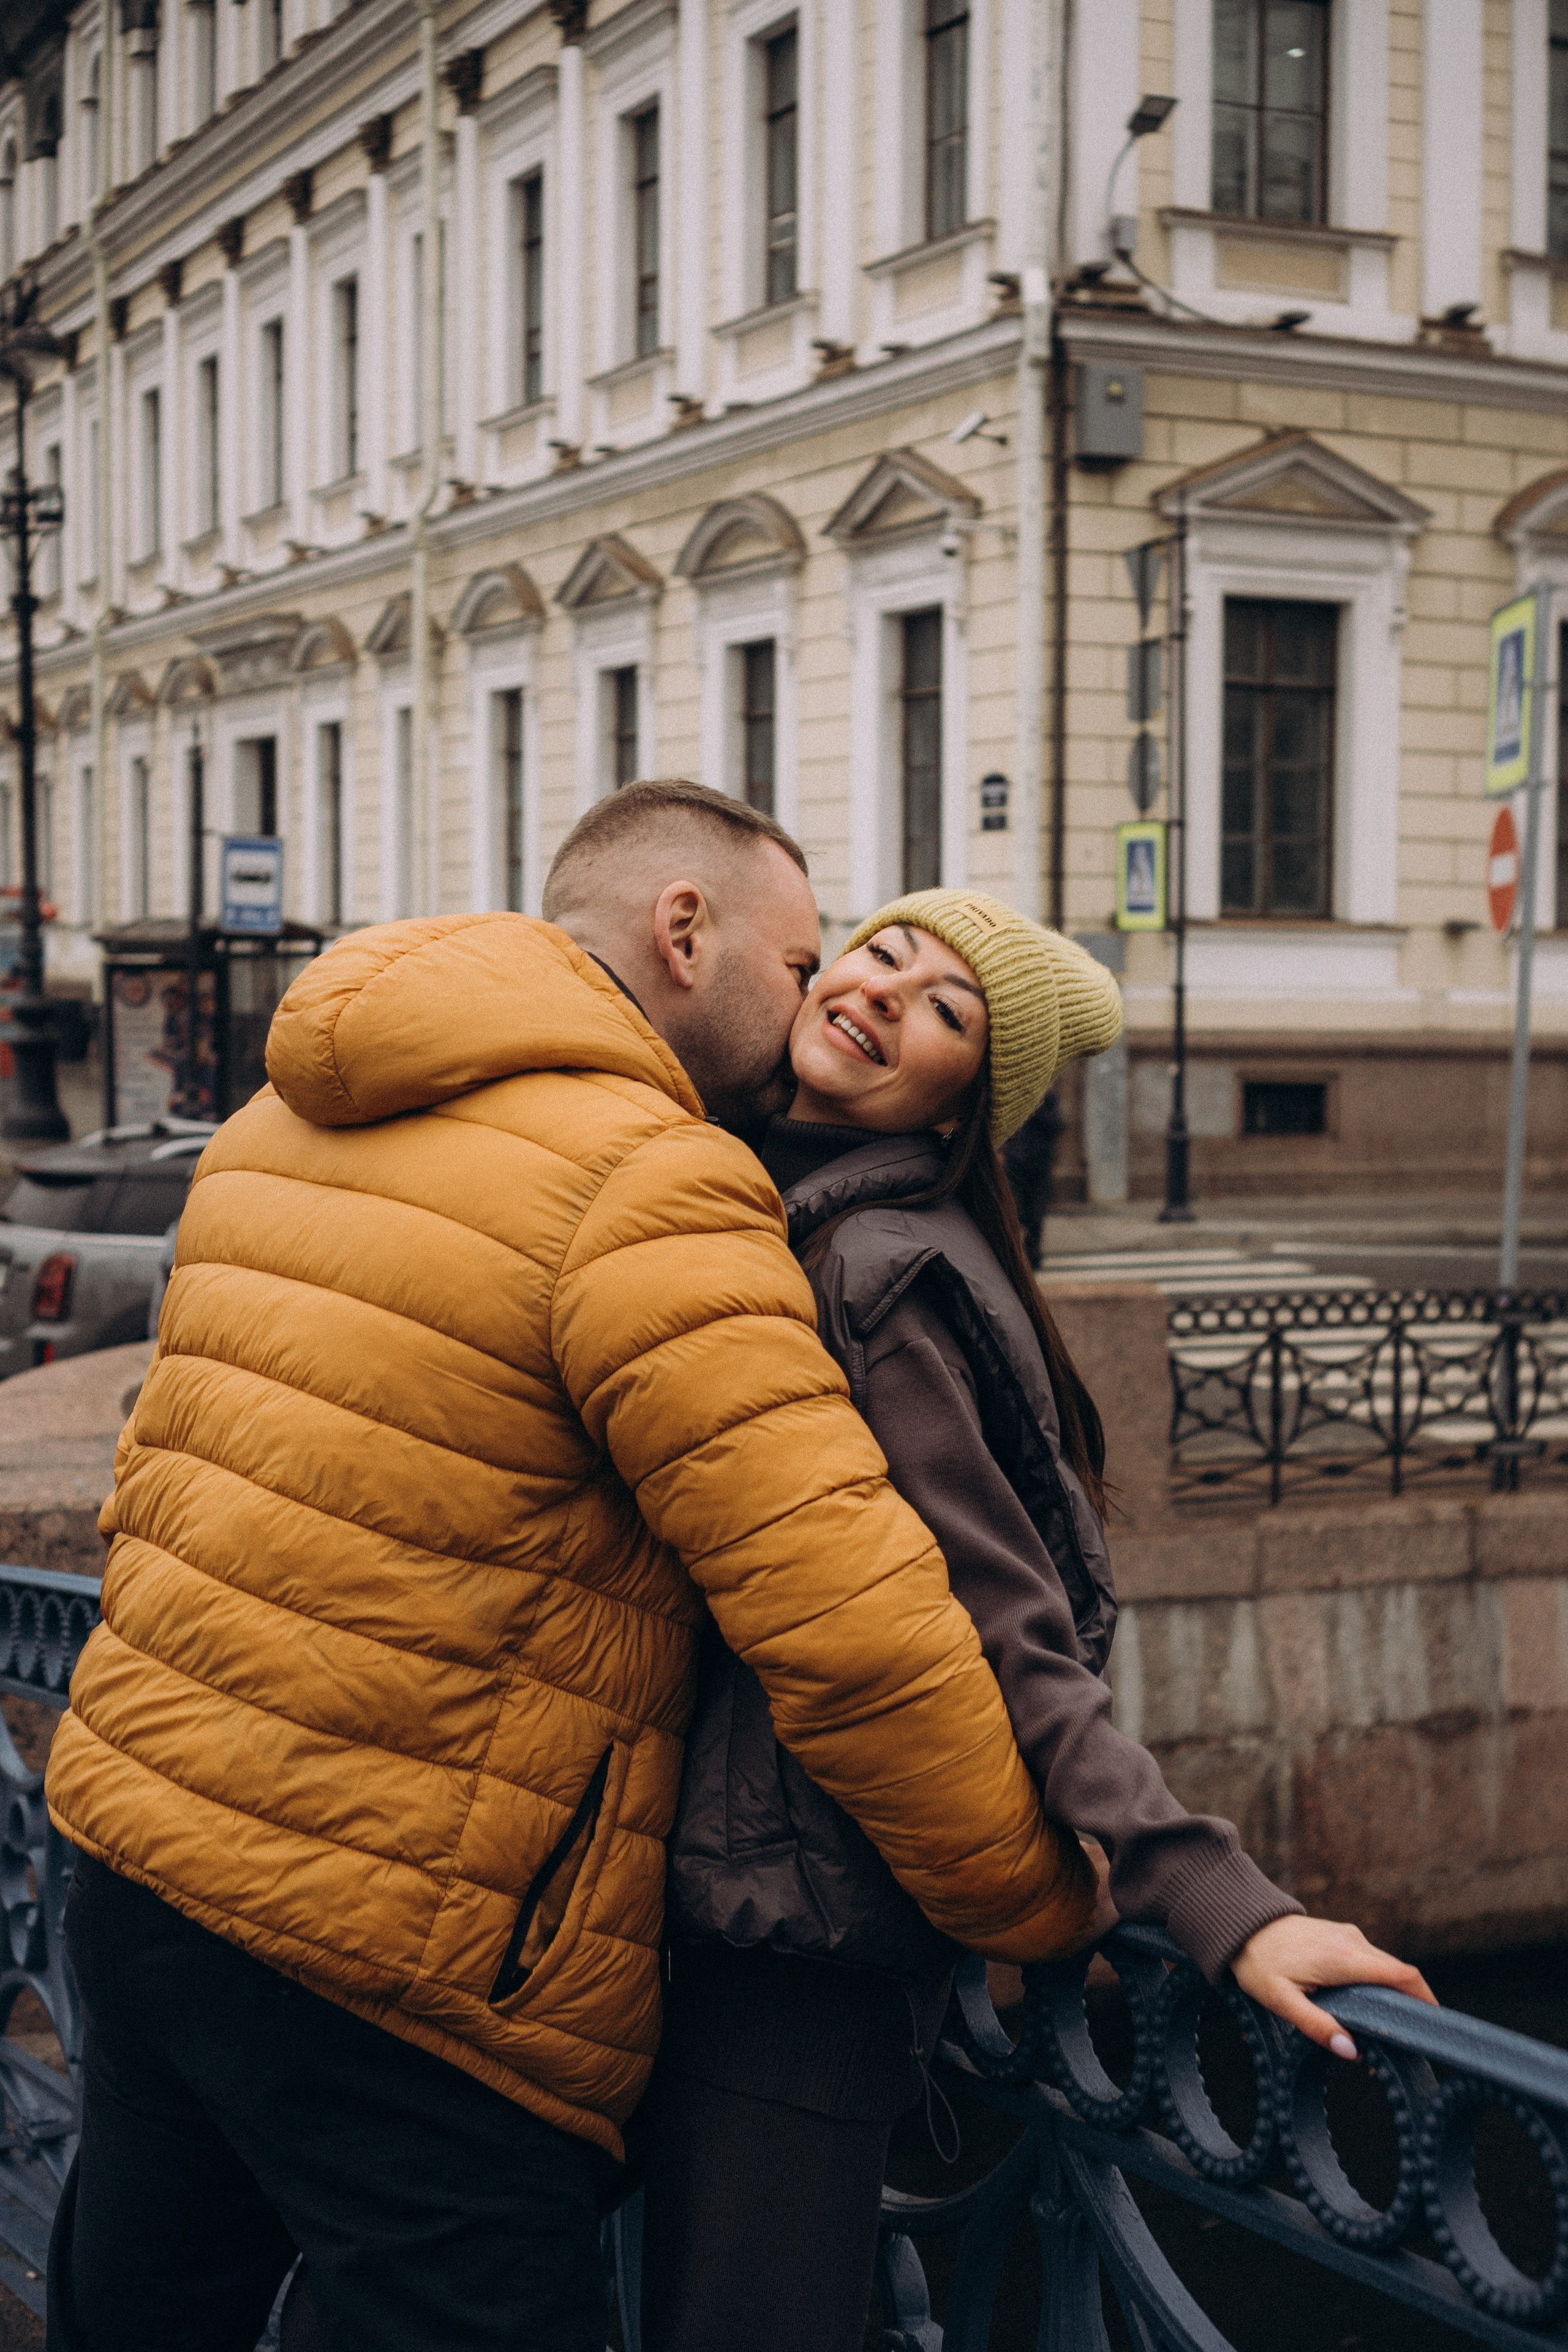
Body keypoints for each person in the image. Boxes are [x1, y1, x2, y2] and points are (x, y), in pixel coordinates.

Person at [43, 790, 1096, 2352]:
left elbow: (173, 1468)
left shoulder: (284, 1116)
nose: (817, 999)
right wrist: (1041, 1896)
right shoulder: (649, 1182)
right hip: (402, 1969)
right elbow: (853, 1631)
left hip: (134, 1874)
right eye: (802, 960)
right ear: (685, 935)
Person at [641, 888, 1434, 2352]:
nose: (884, 992)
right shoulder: (789, 1206)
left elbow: (1009, 1628)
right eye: (882, 951)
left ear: (965, 1105)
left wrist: (1213, 1899)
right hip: (755, 1901)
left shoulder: (878, 1273)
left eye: (945, 1009)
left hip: (795, 1938)